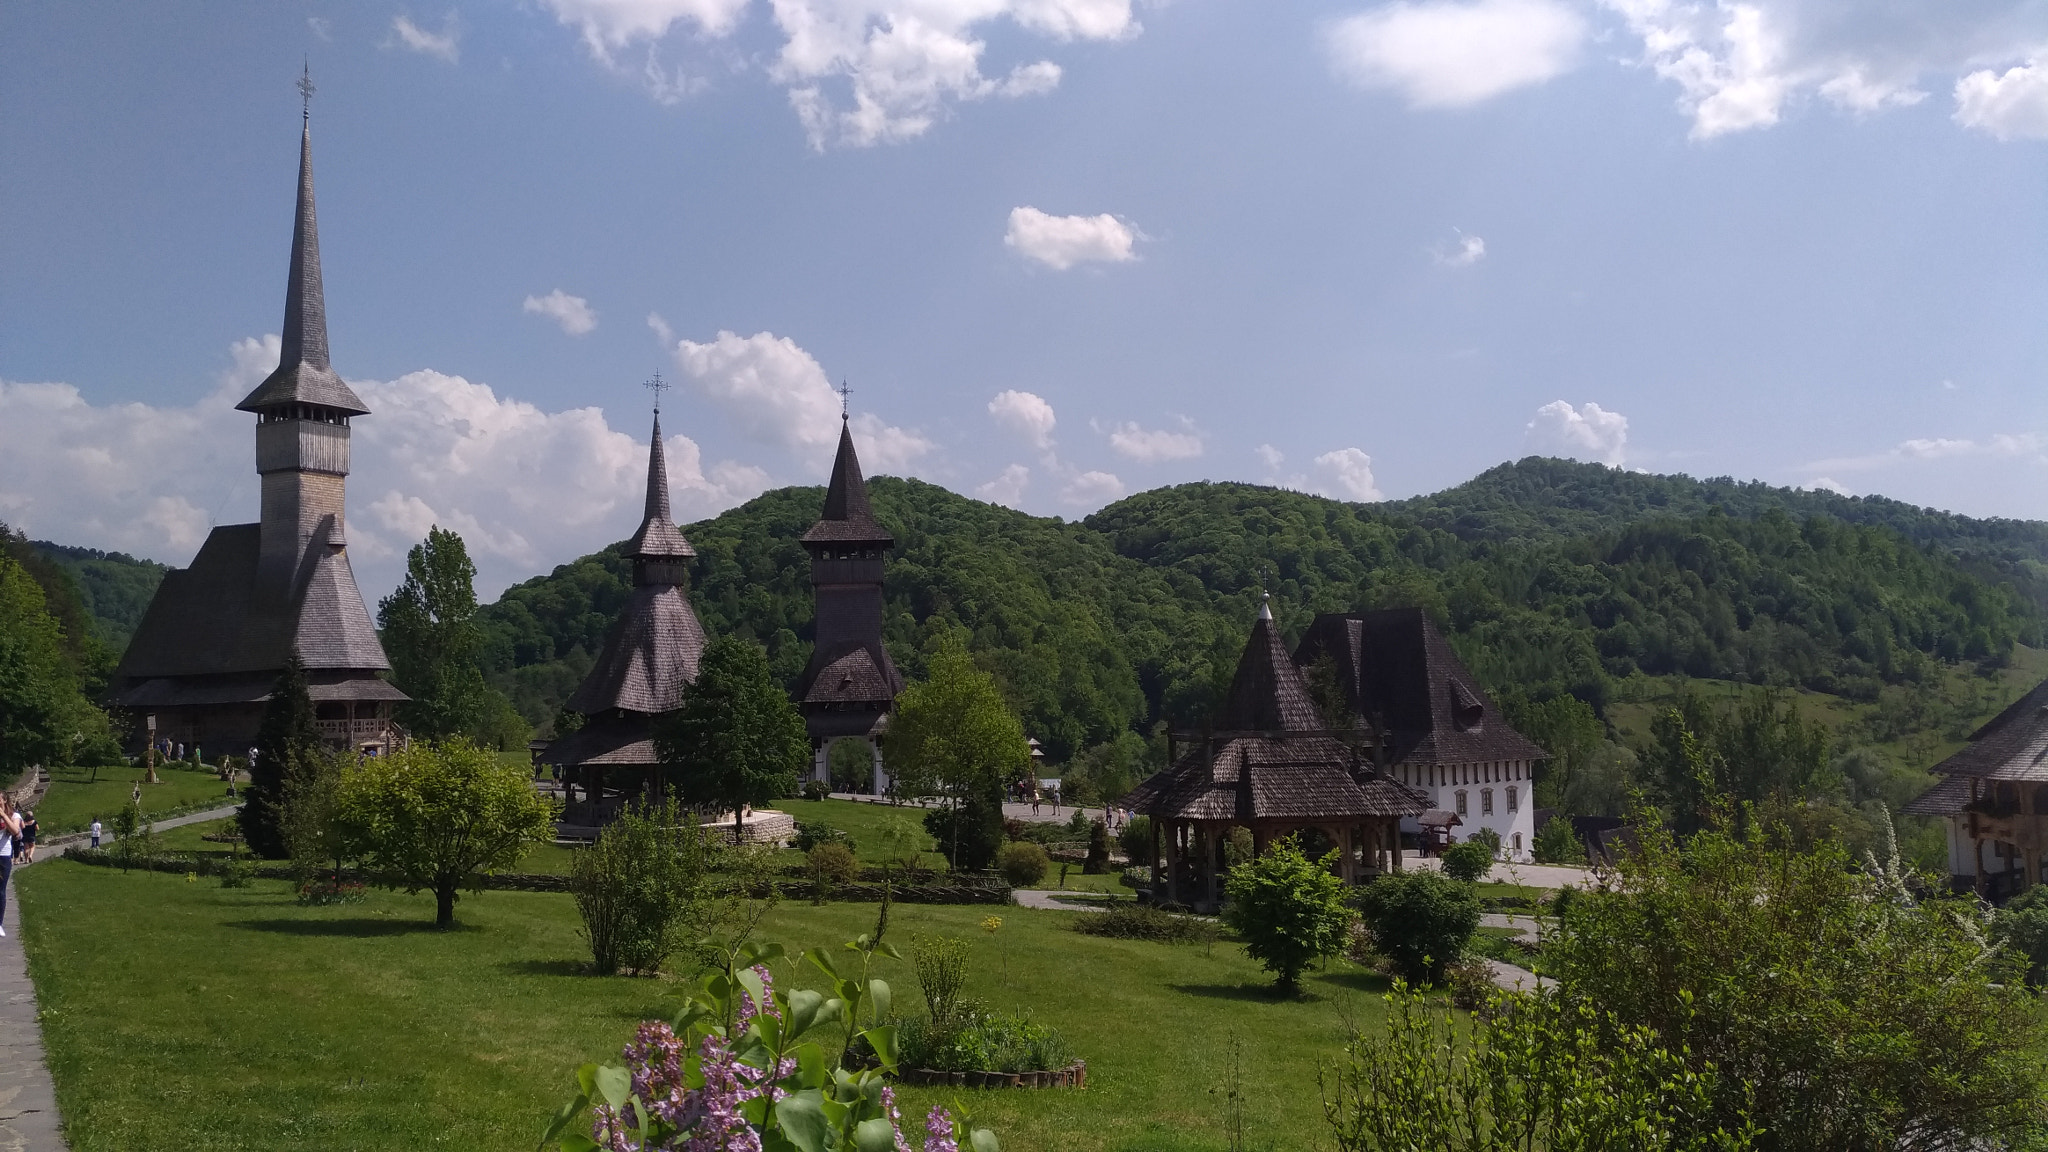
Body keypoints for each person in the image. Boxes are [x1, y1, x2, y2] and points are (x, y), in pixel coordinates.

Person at [0, 795, 21, 938]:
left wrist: (2, 815)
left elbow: (15, 831)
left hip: (3, 856)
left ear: (4, 800)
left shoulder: (14, 815)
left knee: (0, 890)